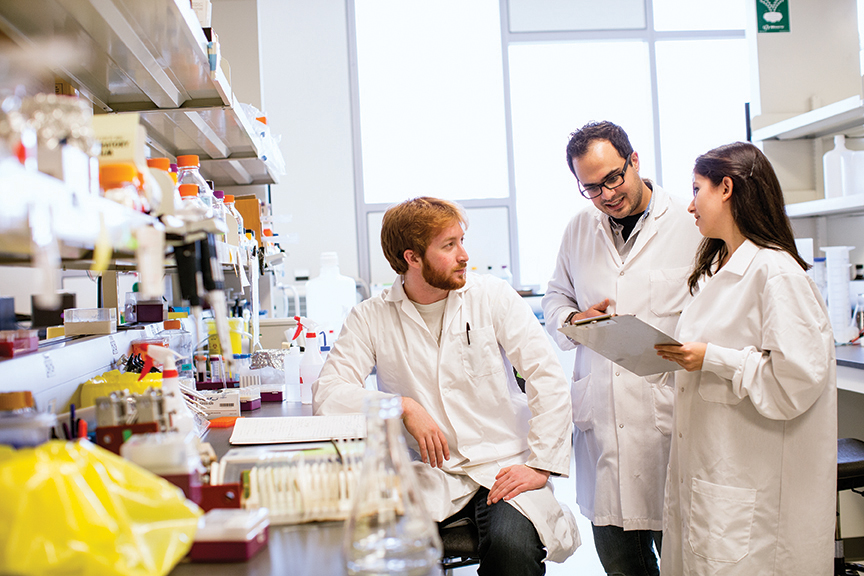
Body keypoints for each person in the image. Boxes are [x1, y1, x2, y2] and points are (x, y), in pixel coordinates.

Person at [313, 197, 580, 575]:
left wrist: (541, 465)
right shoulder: (371, 316)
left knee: (513, 549)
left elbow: (546, 376)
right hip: (429, 474)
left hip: (503, 465)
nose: (464, 255)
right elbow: (328, 393)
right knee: (375, 550)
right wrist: (402, 406)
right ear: (412, 258)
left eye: (461, 241)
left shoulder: (492, 296)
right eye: (449, 245)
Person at [655, 142, 836, 574]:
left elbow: (795, 382)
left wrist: (714, 359)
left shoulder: (777, 273)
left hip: (750, 491)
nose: (690, 205)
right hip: (716, 475)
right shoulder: (720, 266)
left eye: (696, 189)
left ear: (726, 188)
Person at [542, 121, 702, 575]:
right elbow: (555, 297)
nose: (607, 195)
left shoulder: (689, 223)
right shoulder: (579, 228)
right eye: (591, 188)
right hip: (604, 428)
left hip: (667, 423)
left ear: (634, 161)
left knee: (683, 563)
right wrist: (573, 320)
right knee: (620, 565)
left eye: (613, 178)